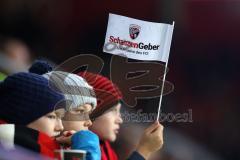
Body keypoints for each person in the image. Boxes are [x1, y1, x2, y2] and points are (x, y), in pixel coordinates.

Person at [79, 72, 164, 160]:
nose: (120, 120)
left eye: (119, 111)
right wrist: (144, 150)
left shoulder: (105, 150)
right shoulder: (75, 149)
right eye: (112, 111)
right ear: (87, 111)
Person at [29, 60, 101, 160]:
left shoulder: (64, 149)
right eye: (80, 111)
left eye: (89, 114)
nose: (89, 122)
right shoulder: (30, 147)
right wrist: (87, 148)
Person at [0, 72, 66, 158]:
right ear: (20, 114)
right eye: (52, 116)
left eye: (61, 117)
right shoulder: (17, 146)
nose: (60, 127)